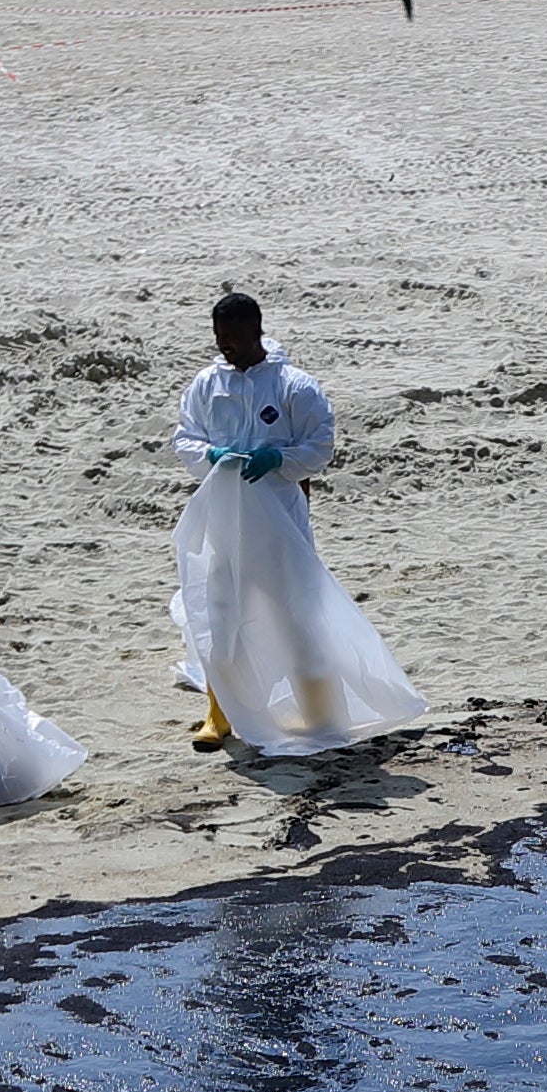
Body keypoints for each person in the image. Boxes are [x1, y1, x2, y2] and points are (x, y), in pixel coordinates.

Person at [168, 290, 431, 752]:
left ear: (256, 331)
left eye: (231, 336)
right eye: (217, 336)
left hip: (280, 521)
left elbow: (319, 446)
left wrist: (279, 459)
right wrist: (209, 455)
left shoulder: (294, 385)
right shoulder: (207, 385)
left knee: (295, 616)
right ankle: (219, 713)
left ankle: (319, 712)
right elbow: (185, 437)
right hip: (224, 522)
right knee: (220, 614)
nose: (223, 344)